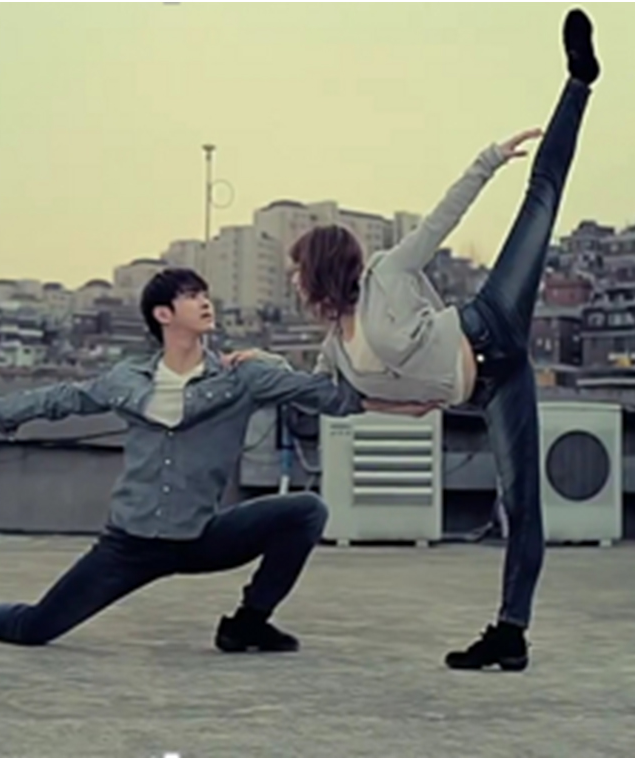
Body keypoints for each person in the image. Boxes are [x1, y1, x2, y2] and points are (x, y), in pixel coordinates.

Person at [230, 8, 600, 671]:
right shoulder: (334, 347)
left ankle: (579, 81)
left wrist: (490, 159)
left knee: (540, 201)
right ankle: (510, 639)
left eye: (294, 269)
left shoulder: (389, 272)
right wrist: (264, 364)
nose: (290, 280)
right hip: (491, 388)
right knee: (518, 501)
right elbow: (330, 398)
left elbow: (441, 218)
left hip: (491, 322)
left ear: (319, 268)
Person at [0, 267, 365, 652]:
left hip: (199, 536)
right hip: (130, 545)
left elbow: (330, 397)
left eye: (205, 294)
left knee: (306, 510)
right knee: (34, 629)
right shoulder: (128, 379)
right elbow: (67, 397)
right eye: (191, 295)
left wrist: (382, 380)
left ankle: (248, 623)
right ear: (163, 314)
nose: (205, 302)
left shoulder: (242, 376)